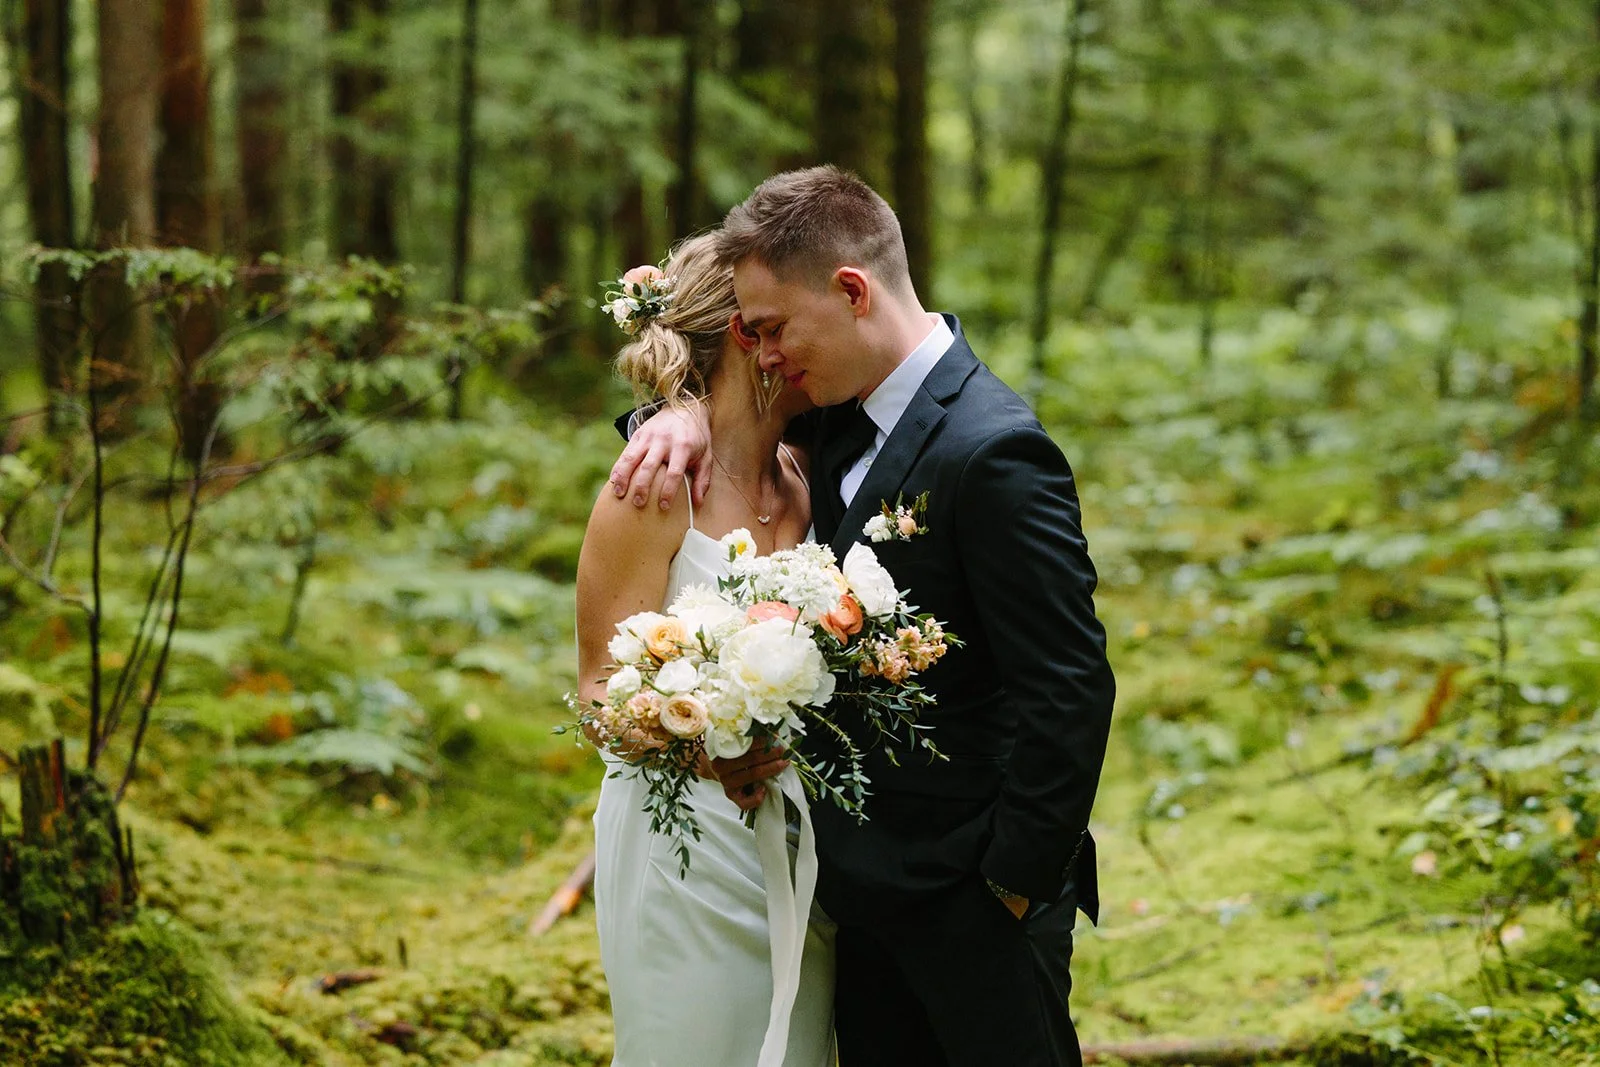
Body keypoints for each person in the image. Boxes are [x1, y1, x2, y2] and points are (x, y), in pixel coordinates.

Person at [611, 166, 1116, 1067]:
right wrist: (675, 411)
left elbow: (1070, 687)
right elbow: (735, 432)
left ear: (851, 291)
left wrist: (1011, 881)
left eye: (773, 329)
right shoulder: (835, 423)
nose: (765, 354)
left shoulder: (993, 449)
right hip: (858, 902)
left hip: (976, 901)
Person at [574, 232, 836, 1067]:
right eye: (780, 320)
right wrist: (709, 749)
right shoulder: (650, 490)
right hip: (683, 843)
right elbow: (595, 695)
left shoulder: (806, 474)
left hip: (798, 846)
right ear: (746, 339)